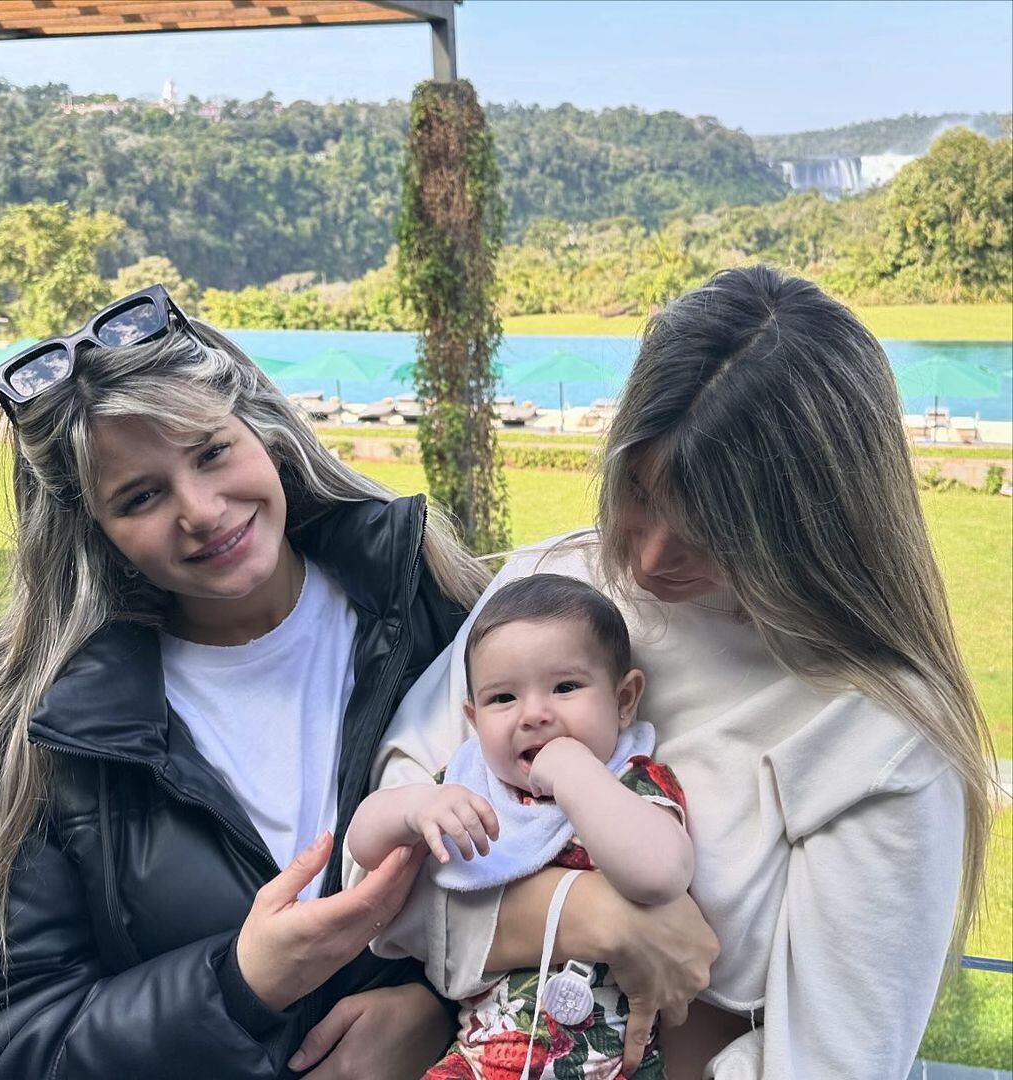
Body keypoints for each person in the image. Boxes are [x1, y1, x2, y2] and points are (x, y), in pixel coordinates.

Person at [341, 265, 994, 1079]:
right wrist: (592, 916)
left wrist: (477, 924)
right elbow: (370, 883)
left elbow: (835, 1061)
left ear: (814, 524)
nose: (648, 557)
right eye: (641, 492)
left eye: (715, 531)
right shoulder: (553, 590)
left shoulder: (875, 729)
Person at [0, 284, 492, 1079]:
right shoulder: (36, 733)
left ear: (259, 431)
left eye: (210, 452)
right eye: (141, 496)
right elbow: (1, 1044)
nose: (201, 510)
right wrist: (240, 986)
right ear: (94, 528)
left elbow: (553, 849)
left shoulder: (434, 603)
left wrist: (445, 1014)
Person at [348, 573, 693, 1079]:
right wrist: (412, 807)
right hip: (485, 1058)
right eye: (503, 699)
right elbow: (363, 847)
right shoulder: (470, 789)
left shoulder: (632, 782)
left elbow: (662, 874)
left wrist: (576, 773)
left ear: (624, 700)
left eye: (566, 687)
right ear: (473, 717)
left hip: (616, 1064)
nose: (534, 714)